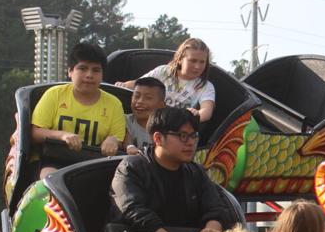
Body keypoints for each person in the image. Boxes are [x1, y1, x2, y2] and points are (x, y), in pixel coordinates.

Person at [108, 107, 228, 232]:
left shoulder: (196, 172)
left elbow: (216, 207)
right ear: (158, 138)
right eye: (182, 136)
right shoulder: (131, 168)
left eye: (193, 136)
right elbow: (134, 212)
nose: (190, 143)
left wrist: (211, 228)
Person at [31, 42, 127, 177]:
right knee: (50, 179)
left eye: (96, 70)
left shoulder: (114, 104)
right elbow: (35, 133)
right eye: (83, 68)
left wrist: (113, 140)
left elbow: (118, 138)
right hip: (53, 160)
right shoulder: (54, 95)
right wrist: (63, 136)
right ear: (70, 71)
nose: (89, 75)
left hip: (95, 166)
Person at [119, 38, 216, 123]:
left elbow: (206, 112)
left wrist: (196, 114)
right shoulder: (163, 71)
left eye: (202, 62)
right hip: (150, 121)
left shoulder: (205, 86)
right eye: (193, 61)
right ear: (180, 59)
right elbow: (137, 84)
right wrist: (122, 85)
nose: (197, 66)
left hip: (177, 127)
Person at [125, 77, 165, 154]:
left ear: (161, 105)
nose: (140, 101)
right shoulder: (124, 120)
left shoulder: (167, 128)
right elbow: (125, 139)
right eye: (136, 96)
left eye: (148, 98)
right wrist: (129, 146)